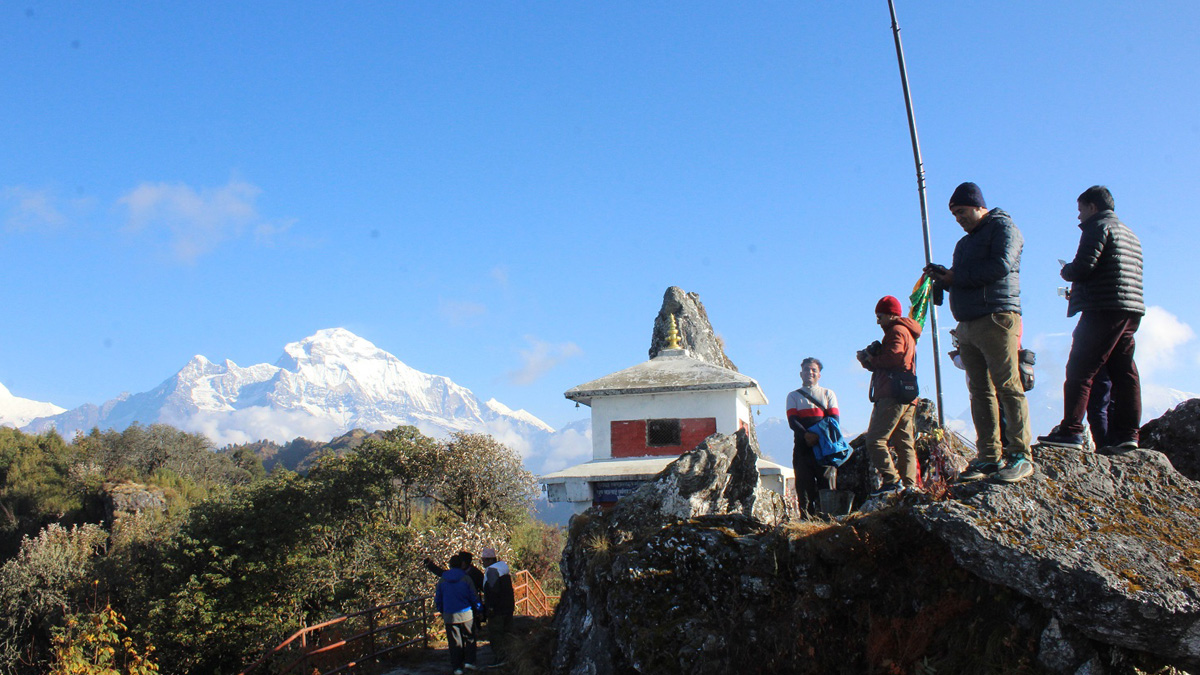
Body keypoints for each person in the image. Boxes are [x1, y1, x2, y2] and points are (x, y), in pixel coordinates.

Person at [925, 182, 1034, 483]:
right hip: (968, 324)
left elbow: (1000, 265)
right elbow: (965, 278)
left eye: (961, 212)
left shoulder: (1004, 228)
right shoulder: (964, 244)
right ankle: (988, 456)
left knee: (1008, 385)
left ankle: (1020, 454)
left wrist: (955, 276)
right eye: (954, 214)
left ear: (977, 205)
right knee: (980, 391)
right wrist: (944, 280)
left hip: (997, 318)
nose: (958, 218)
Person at [1038, 185, 1144, 453]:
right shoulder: (1130, 234)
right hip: (1131, 309)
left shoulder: (1097, 228)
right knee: (1124, 370)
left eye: (1080, 210)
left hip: (1102, 307)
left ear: (1093, 207)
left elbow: (1084, 266)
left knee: (1080, 370)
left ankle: (1072, 431)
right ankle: (1127, 434)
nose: (1079, 217)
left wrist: (1067, 271)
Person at [857, 296, 921, 495]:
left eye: (880, 316)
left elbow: (893, 358)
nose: (878, 321)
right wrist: (870, 361)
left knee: (875, 440)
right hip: (908, 394)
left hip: (892, 394)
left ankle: (891, 480)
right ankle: (910, 486)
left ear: (891, 314)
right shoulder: (908, 331)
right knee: (904, 442)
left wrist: (872, 358)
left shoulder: (895, 331)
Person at [785, 357, 840, 515]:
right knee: (804, 487)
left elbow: (834, 420)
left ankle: (828, 520)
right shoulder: (793, 396)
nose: (810, 372)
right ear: (800, 374)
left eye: (814, 370)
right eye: (806, 369)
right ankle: (806, 519)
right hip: (803, 448)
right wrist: (807, 436)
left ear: (819, 375)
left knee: (827, 486)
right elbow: (793, 421)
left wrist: (816, 436)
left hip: (824, 448)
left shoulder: (828, 394)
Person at [435, 553, 481, 675]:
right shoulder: (466, 578)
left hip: (450, 615)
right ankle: (469, 662)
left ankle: (457, 668)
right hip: (466, 614)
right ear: (461, 565)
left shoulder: (443, 579)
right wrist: (478, 608)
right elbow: (473, 595)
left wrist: (442, 610)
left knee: (455, 642)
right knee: (470, 638)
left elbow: (438, 597)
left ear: (449, 565)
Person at [480, 547, 515, 666]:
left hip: (498, 610)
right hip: (508, 607)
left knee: (496, 634)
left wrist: (490, 607)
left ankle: (500, 658)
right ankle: (510, 656)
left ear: (489, 560)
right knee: (507, 633)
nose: (483, 563)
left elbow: (494, 590)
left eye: (483, 560)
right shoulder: (503, 569)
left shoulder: (492, 571)